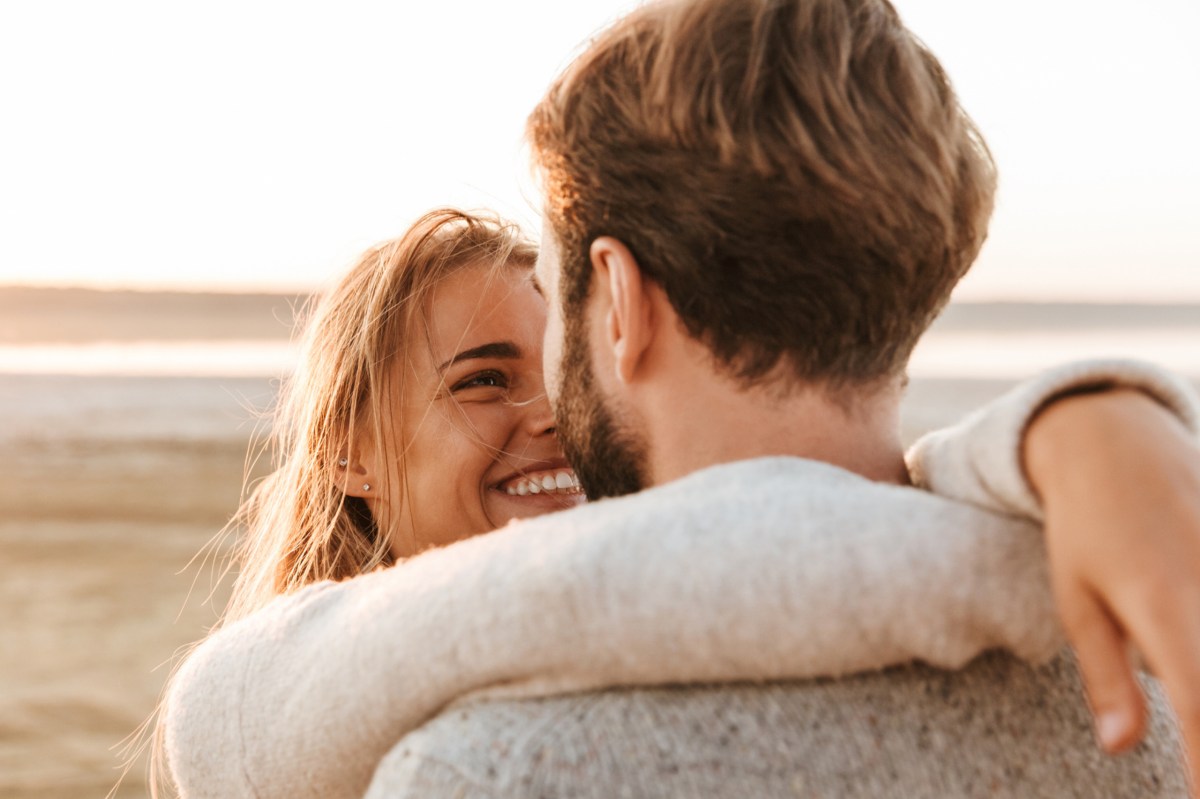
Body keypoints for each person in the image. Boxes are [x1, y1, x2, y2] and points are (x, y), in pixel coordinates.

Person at [158, 2, 1200, 795]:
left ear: (618, 300)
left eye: (559, 301)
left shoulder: (496, 770)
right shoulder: (1146, 710)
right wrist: (1074, 432)